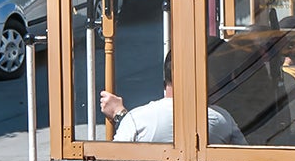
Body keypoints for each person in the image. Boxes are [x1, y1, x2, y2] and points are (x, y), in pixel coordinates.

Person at [99, 53, 247, 145]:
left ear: (164, 83)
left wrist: (120, 115)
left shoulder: (136, 119)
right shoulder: (223, 119)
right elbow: (245, 160)